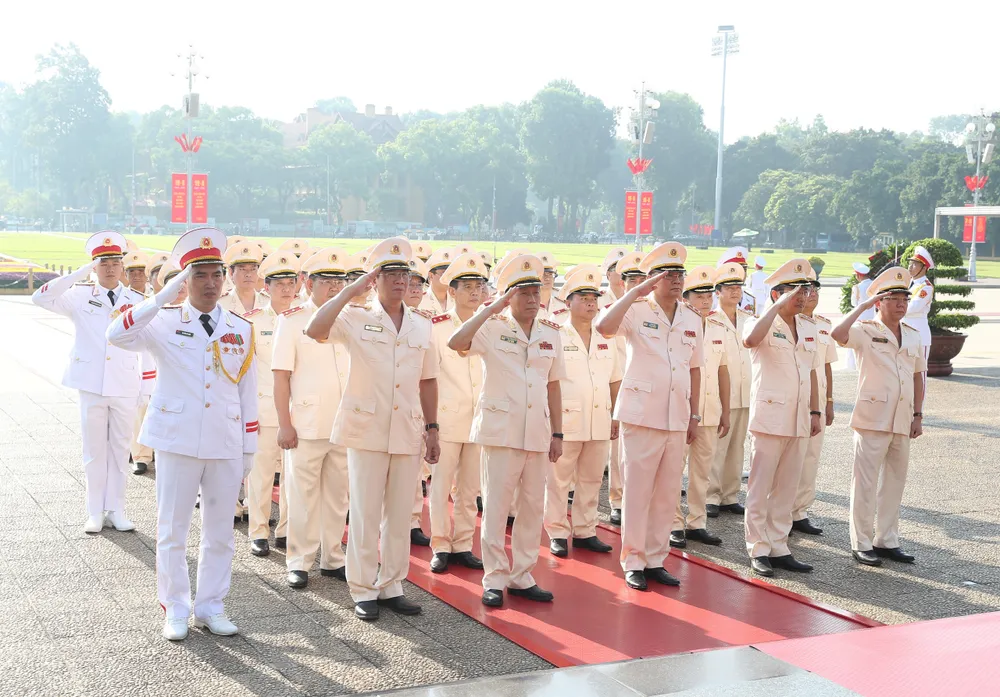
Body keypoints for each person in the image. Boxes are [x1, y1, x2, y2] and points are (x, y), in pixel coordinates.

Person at [107, 227, 257, 641]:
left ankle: (211, 605)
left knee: (220, 532)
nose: (210, 283)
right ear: (184, 280)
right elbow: (115, 334)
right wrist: (158, 299)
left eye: (216, 275)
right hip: (177, 438)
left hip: (224, 440)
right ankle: (176, 606)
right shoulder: (165, 321)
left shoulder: (240, 328)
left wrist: (249, 445)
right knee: (173, 529)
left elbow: (247, 390)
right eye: (199, 275)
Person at [305, 237, 440, 621]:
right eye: (390, 273)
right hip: (366, 428)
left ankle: (392, 584)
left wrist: (433, 428)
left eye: (405, 274)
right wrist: (351, 290)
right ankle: (363, 587)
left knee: (400, 513)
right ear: (374, 278)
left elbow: (428, 380)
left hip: (407, 429)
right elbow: (316, 328)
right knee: (364, 512)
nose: (400, 281)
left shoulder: (421, 324)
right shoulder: (356, 316)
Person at [447, 254, 565, 608]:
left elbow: (554, 386)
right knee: (497, 508)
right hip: (501, 431)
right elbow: (456, 342)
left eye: (536, 293)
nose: (533, 299)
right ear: (508, 296)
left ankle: (522, 575)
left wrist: (558, 433)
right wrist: (490, 308)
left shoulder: (550, 334)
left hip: (537, 433)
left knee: (532, 507)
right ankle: (494, 577)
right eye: (524, 293)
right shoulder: (491, 327)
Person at [595, 242, 702, 592]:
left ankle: (656, 559)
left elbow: (696, 368)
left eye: (679, 274)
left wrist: (695, 414)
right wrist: (635, 292)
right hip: (641, 415)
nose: (676, 280)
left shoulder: (691, 317)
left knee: (668, 494)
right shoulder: (637, 310)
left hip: (676, 415)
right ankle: (634, 560)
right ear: (653, 279)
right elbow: (604, 327)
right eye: (667, 274)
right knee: (637, 492)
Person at [33, 231, 144, 533]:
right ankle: (95, 510)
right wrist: (82, 271)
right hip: (91, 383)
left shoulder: (136, 300)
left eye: (114, 262)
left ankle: (117, 508)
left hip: (123, 382)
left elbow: (147, 343)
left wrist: (146, 386)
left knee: (121, 450)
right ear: (95, 266)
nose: (109, 268)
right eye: (102, 262)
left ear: (123, 266)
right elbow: (40, 296)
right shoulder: (80, 295)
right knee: (94, 450)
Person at [831, 267, 925, 566]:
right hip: (872, 417)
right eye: (894, 298)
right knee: (865, 483)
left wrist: (918, 415)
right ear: (878, 303)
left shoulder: (911, 334)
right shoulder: (865, 330)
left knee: (895, 482)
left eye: (904, 299)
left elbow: (918, 376)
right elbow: (837, 335)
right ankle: (861, 542)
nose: (901, 304)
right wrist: (860, 307)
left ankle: (886, 540)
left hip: (902, 416)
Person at [273, 247, 352, 588]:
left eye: (339, 281)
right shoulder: (291, 321)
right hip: (305, 424)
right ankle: (300, 561)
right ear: (309, 283)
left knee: (338, 497)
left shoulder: (352, 318)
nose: (334, 288)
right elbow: (281, 377)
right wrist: (284, 423)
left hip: (345, 424)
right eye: (327, 281)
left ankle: (333, 558)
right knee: (302, 497)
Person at [741, 258, 822, 578]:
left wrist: (815, 410)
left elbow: (811, 372)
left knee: (787, 485)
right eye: (794, 291)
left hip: (799, 416)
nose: (802, 297)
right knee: (761, 485)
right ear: (777, 294)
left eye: (805, 291)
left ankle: (779, 544)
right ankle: (758, 548)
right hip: (770, 415)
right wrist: (774, 309)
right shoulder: (759, 322)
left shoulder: (808, 326)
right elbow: (749, 341)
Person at [544, 264, 621, 558]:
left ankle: (586, 530)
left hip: (599, 418)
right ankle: (557, 531)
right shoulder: (556, 335)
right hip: (566, 418)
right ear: (568, 302)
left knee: (591, 480)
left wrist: (616, 415)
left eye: (594, 298)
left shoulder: (606, 336)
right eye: (583, 297)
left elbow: (615, 379)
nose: (591, 303)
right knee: (559, 479)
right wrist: (552, 425)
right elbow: (548, 381)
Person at [427, 252, 489, 574]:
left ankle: (464, 543)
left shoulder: (490, 325)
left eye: (479, 285)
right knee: (440, 487)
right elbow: (428, 376)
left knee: (470, 489)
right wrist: (430, 424)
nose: (474, 292)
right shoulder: (436, 328)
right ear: (451, 291)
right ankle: (440, 544)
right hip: (447, 418)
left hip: (480, 419)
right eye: (467, 286)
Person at [242, 251, 300, 557]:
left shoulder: (305, 319)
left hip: (298, 410)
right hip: (264, 409)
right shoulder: (252, 323)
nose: (287, 289)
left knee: (293, 477)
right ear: (267, 286)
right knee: (261, 474)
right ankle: (259, 531)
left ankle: (287, 530)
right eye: (280, 284)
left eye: (291, 282)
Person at [671, 266, 728, 548]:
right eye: (699, 295)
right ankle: (673, 523)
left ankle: (697, 522)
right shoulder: (678, 323)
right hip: (682, 409)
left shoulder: (719, 326)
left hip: (710, 410)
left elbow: (723, 371)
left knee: (702, 471)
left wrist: (726, 410)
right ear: (686, 297)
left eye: (709, 295)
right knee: (674, 469)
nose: (706, 301)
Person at [791, 277, 838, 536]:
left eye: (815, 291)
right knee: (790, 458)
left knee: (811, 457)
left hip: (817, 400)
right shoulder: (789, 324)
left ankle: (800, 511)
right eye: (807, 292)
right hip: (795, 397)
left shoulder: (823, 325)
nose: (812, 296)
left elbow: (827, 365)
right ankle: (781, 511)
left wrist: (829, 401)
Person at [705, 263, 752, 519]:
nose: (735, 292)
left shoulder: (748, 319)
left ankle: (729, 495)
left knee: (737, 447)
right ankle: (710, 496)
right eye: (730, 288)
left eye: (738, 287)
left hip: (745, 392)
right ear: (718, 291)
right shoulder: (712, 319)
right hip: (722, 393)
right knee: (716, 448)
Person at [604, 252, 646, 526]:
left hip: (644, 387)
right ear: (620, 281)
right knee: (618, 447)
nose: (637, 284)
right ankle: (617, 501)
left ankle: (639, 500)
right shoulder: (604, 305)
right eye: (631, 279)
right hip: (612, 382)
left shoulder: (652, 308)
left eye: (642, 279)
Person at [123, 251, 157, 476]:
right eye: (132, 272)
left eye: (140, 272)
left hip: (156, 359)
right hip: (132, 360)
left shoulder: (156, 296)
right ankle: (141, 456)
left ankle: (153, 450)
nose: (136, 276)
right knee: (138, 410)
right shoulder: (122, 299)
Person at [906, 246, 935, 368]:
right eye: (910, 264)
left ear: (923, 268)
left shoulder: (926, 287)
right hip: (905, 333)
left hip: (919, 335)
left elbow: (912, 308)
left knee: (919, 372)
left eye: (914, 265)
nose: (910, 267)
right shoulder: (907, 283)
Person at [847, 262, 873, 370]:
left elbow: (854, 303)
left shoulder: (857, 287)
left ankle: (852, 365)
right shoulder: (874, 284)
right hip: (873, 316)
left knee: (855, 340)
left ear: (858, 275)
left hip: (860, 316)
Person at [421, 248, 454, 315]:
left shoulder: (457, 300)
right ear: (431, 276)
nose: (447, 278)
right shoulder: (420, 300)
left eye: (450, 274)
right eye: (444, 274)